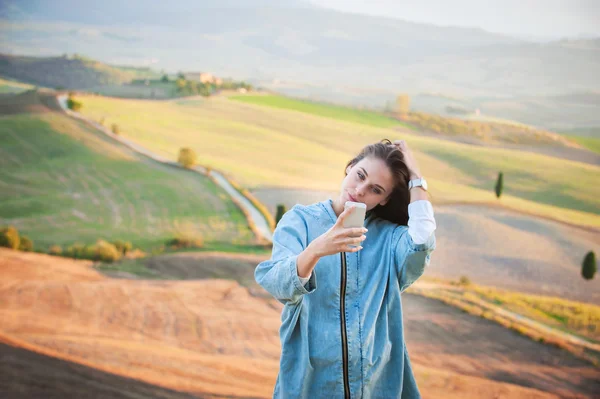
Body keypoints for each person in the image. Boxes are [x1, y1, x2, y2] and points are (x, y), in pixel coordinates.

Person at [255, 138, 436, 398]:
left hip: (377, 385)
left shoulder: (390, 238)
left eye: (375, 189)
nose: (360, 189)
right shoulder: (300, 221)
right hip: (309, 384)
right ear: (349, 167)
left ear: (385, 200)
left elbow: (422, 241)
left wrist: (416, 178)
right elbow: (278, 284)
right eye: (359, 175)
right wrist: (317, 249)